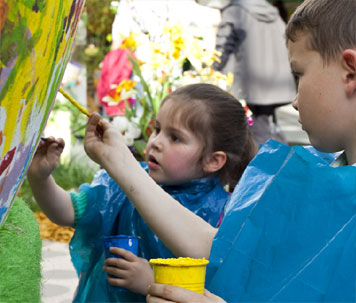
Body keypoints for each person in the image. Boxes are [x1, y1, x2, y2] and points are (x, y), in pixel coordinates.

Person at [82, 0, 356, 301]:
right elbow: (230, 251)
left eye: (299, 74)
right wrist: (118, 160)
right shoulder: (322, 175)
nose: (294, 100)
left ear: (350, 73)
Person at [28, 83, 257, 302]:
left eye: (175, 137)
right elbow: (68, 212)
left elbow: (217, 291)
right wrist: (40, 178)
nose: (156, 142)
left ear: (213, 160)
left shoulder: (223, 216)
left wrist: (152, 281)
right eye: (157, 129)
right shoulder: (126, 179)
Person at [201, 0, 296, 146]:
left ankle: (266, 159)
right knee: (266, 121)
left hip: (251, 79)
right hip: (276, 77)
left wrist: (213, 67)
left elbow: (224, 44)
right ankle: (278, 153)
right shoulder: (271, 10)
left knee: (257, 125)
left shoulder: (234, 11)